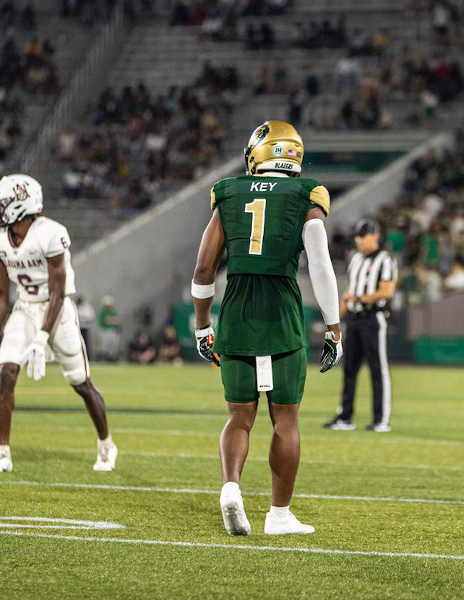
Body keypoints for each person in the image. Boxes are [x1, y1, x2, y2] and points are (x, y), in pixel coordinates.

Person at [191, 120, 343, 536]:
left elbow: (204, 269)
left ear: (258, 153)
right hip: (281, 310)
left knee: (239, 418)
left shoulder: (229, 191)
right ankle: (278, 515)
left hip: (237, 308)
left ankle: (230, 487)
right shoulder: (306, 193)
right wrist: (333, 328)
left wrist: (203, 326)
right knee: (286, 421)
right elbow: (321, 265)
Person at [0, 174, 117, 473]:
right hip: (25, 308)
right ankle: (3, 453)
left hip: (58, 311)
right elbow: (2, 293)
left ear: (21, 205)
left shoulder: (50, 235)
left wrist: (42, 340)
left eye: (3, 204)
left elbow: (57, 293)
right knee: (7, 373)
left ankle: (106, 443)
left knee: (81, 383)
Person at [324, 218, 397, 432]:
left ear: (374, 236)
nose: (358, 241)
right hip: (355, 319)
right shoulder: (356, 259)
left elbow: (387, 291)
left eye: (361, 236)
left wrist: (359, 299)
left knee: (377, 369)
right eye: (357, 237)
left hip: (373, 318)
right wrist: (334, 321)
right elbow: (349, 293)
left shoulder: (385, 259)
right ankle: (345, 417)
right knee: (349, 369)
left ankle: (380, 419)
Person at [97, 295, 120, 360]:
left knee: (112, 345)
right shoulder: (102, 311)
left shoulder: (113, 311)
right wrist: (111, 320)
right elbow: (106, 321)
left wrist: (111, 320)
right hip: (104, 330)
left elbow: (116, 320)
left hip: (112, 330)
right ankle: (104, 357)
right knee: (104, 345)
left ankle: (112, 357)